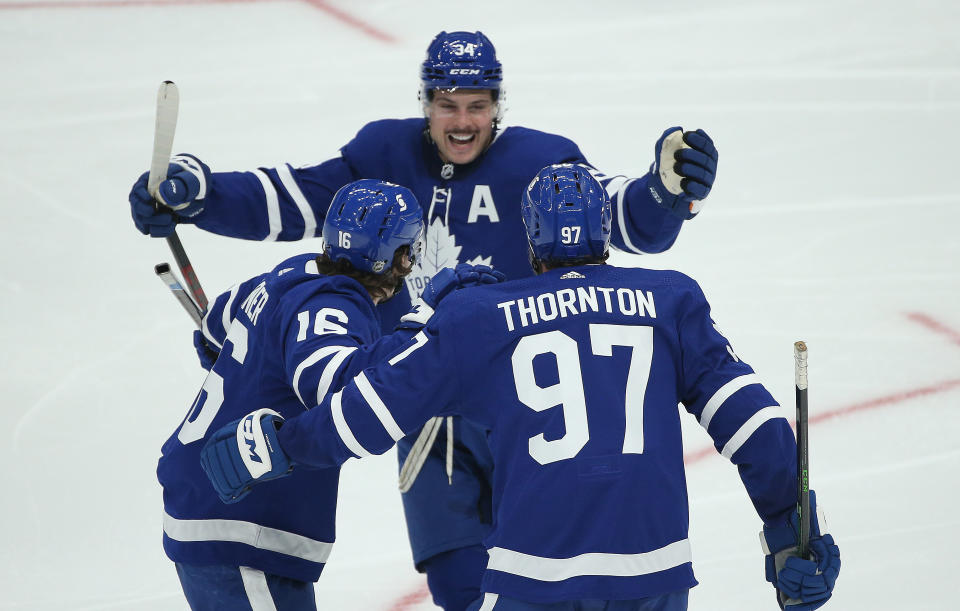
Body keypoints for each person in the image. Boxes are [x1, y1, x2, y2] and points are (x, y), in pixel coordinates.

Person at [130, 31, 720, 609]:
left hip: (531, 402)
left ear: (498, 104)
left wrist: (664, 193)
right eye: (447, 106)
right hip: (425, 403)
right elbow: (295, 199)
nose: (462, 122)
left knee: (542, 578)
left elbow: (621, 217)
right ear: (426, 103)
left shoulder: (540, 161)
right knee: (460, 585)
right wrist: (202, 197)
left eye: (477, 106)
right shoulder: (385, 157)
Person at [202, 164, 841, 611]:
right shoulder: (671, 301)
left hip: (537, 580)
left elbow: (371, 410)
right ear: (602, 235)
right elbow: (749, 419)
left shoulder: (481, 316)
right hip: (655, 570)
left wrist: (284, 443)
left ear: (531, 244)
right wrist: (788, 519)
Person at [157, 179, 502, 610]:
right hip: (241, 521)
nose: (411, 262)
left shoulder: (292, 273)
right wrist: (425, 318)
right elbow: (337, 388)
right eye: (407, 250)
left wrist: (228, 352)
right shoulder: (330, 306)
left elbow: (216, 323)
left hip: (215, 505)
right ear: (389, 257)